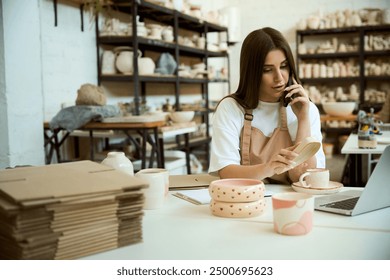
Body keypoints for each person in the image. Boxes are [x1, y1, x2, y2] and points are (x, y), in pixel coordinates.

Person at [208, 27, 325, 184]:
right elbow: (227, 173)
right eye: (267, 70)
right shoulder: (230, 108)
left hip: (291, 201)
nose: (279, 78)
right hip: (247, 200)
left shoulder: (305, 109)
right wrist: (270, 167)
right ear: (251, 73)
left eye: (284, 66)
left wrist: (303, 118)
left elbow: (305, 177)